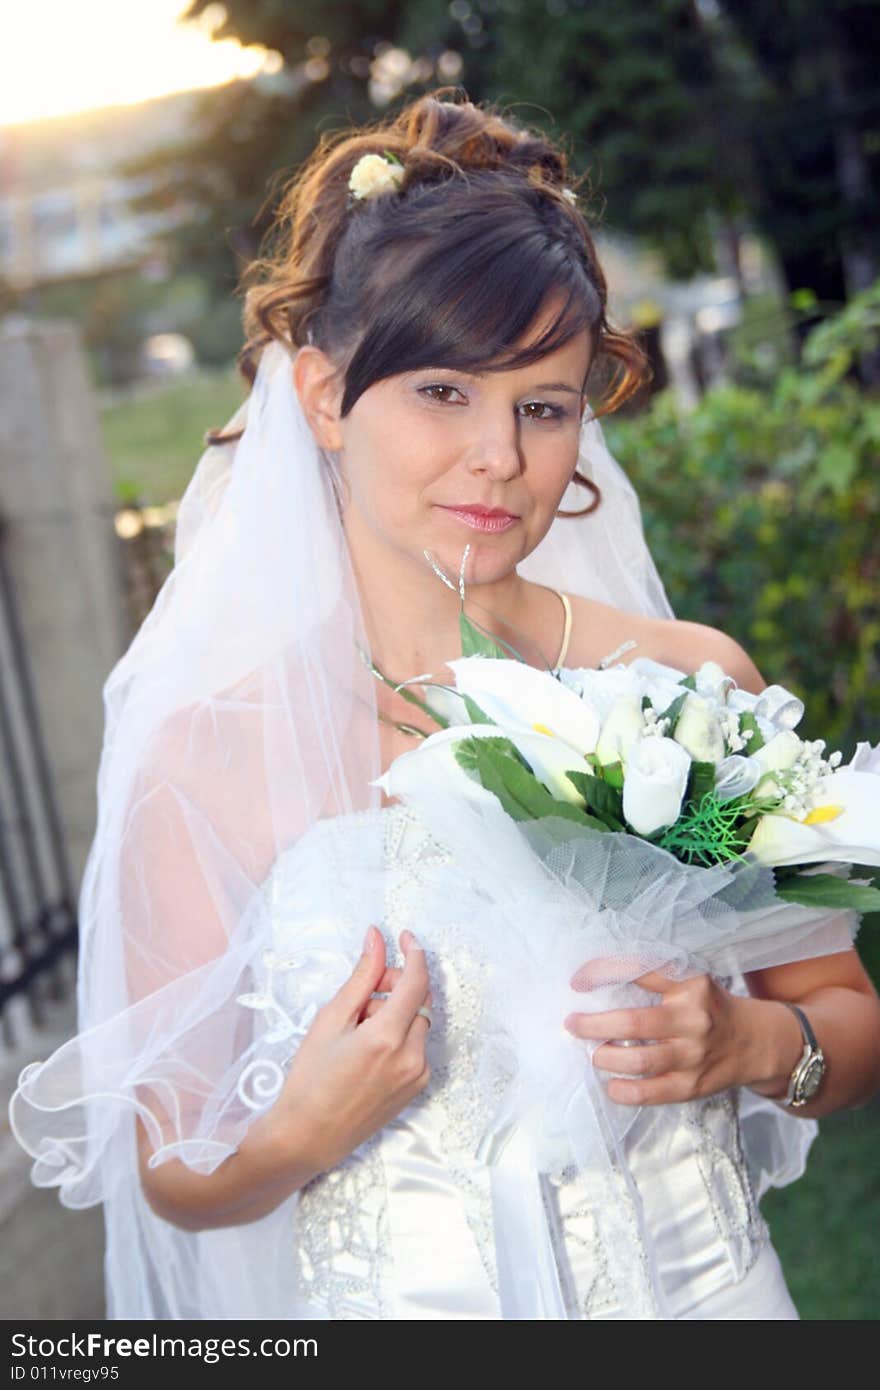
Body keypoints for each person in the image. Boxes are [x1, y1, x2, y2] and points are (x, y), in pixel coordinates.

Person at [9, 87, 880, 1321]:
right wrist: (299, 1133)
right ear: (321, 397)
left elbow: (844, 1022)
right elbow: (175, 1176)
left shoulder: (691, 687)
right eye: (440, 393)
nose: (499, 458)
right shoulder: (203, 757)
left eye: (543, 406)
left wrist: (747, 1051)